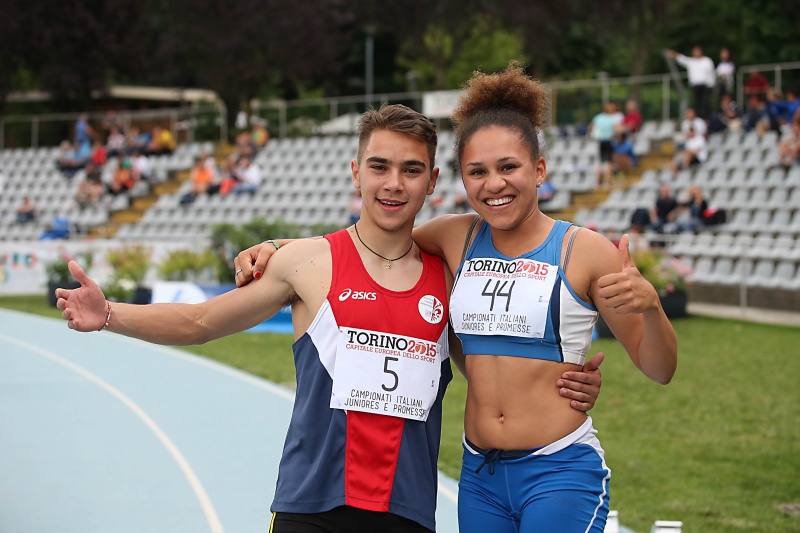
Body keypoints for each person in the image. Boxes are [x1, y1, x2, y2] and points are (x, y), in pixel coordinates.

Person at [54, 103, 602, 533]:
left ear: (432, 181)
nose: (393, 183)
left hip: (407, 511)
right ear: (356, 172)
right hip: (311, 507)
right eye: (379, 166)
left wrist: (569, 380)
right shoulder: (308, 262)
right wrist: (111, 315)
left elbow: (493, 363)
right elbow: (201, 322)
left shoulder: (448, 277)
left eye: (411, 170)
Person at [237, 64, 676, 533]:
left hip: (558, 468)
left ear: (539, 169)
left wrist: (651, 307)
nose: (494, 184)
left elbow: (660, 369)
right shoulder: (454, 236)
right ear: (462, 179)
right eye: (477, 172)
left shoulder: (586, 251)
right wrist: (282, 248)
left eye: (508, 167)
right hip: (481, 477)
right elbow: (369, 243)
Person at [667, 47, 716, 119]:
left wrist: (711, 83)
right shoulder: (691, 61)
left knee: (705, 103)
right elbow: (682, 59)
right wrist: (673, 54)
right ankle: (698, 118)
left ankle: (706, 118)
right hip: (695, 86)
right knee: (696, 103)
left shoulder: (707, 61)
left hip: (705, 86)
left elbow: (711, 73)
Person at [588, 102, 621, 189]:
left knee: (600, 162)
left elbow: (591, 128)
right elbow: (618, 129)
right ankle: (606, 182)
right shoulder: (611, 119)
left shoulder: (598, 117)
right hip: (608, 141)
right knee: (608, 163)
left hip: (599, 142)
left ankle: (597, 182)